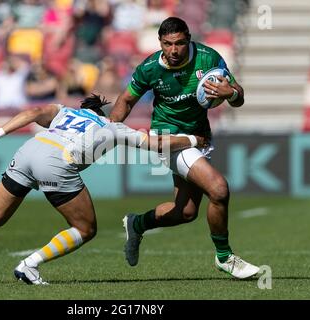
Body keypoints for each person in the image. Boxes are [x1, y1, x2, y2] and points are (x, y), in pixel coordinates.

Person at [0, 94, 207, 285]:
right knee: (85, 228)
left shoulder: (65, 111)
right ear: (103, 112)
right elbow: (156, 144)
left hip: (30, 149)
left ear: (84, 109)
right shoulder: (113, 126)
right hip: (57, 161)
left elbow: (32, 112)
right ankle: (29, 265)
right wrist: (194, 141)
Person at [109, 17, 260, 279]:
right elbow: (126, 100)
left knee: (186, 212)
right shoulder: (149, 68)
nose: (174, 50)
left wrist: (231, 94)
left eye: (179, 43)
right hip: (167, 137)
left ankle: (137, 223)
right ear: (160, 43)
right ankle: (225, 257)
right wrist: (107, 130)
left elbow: (238, 97)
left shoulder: (208, 58)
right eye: (167, 44)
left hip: (200, 135)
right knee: (219, 189)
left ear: (188, 39)